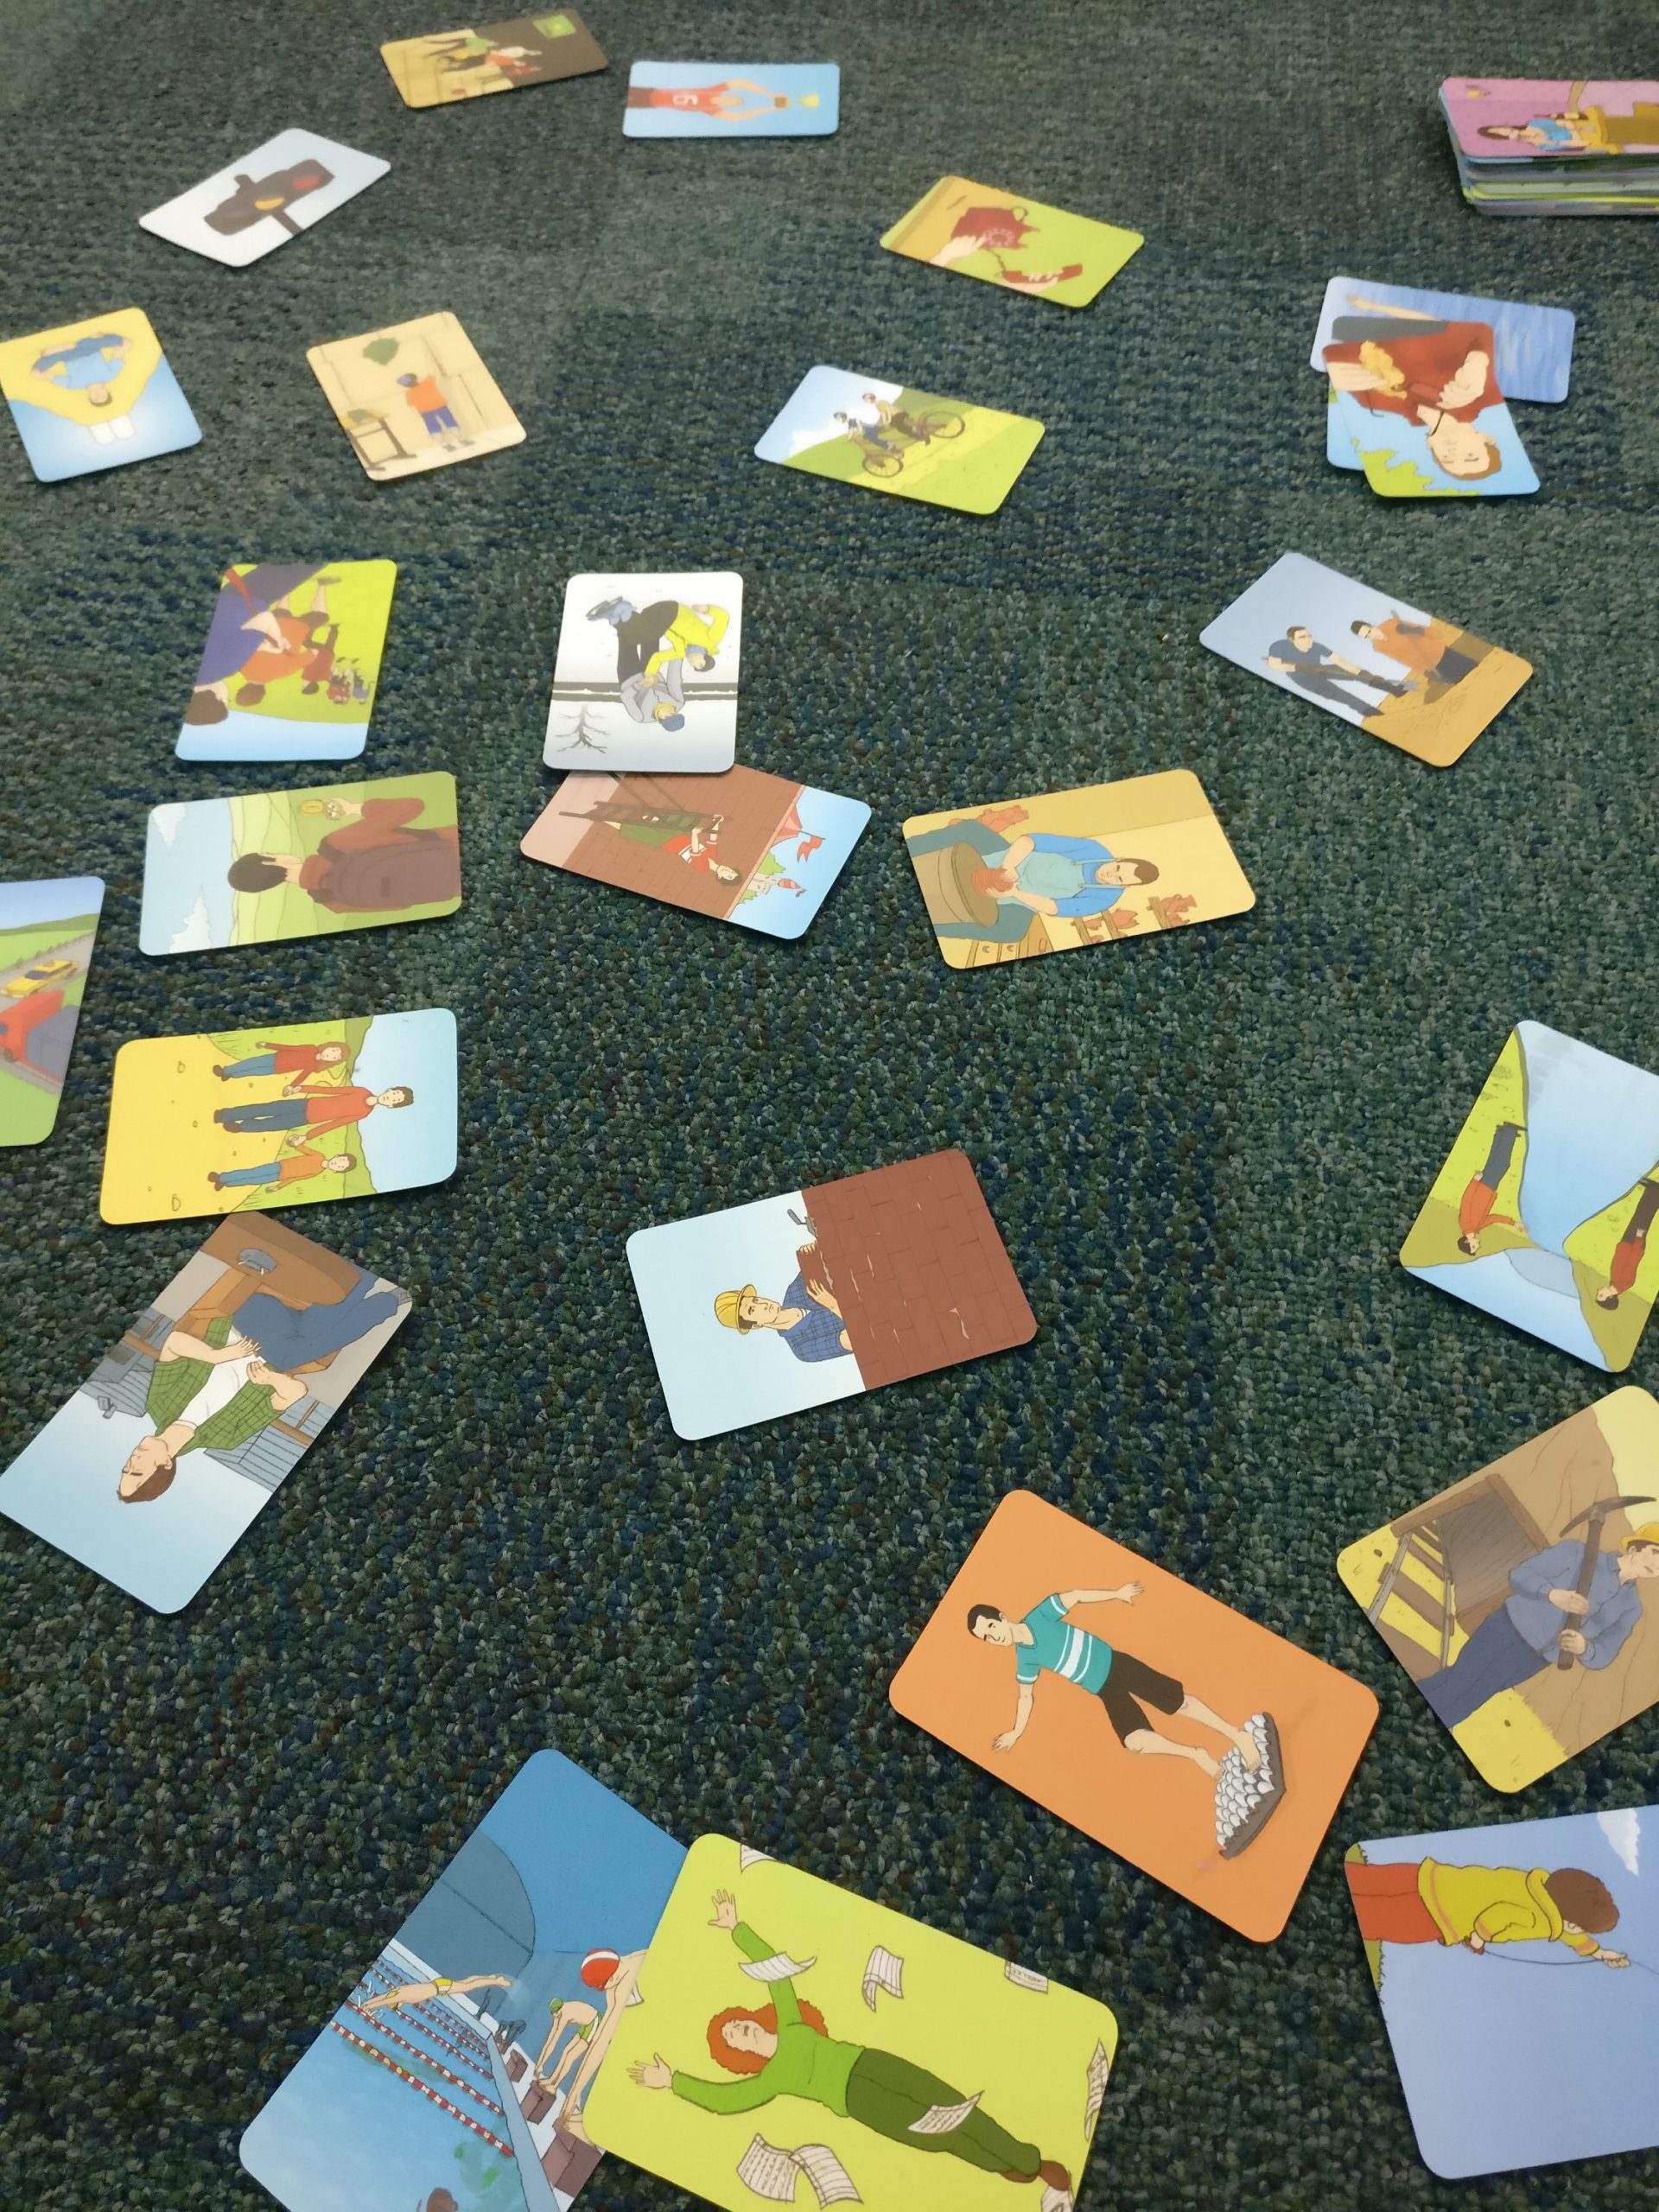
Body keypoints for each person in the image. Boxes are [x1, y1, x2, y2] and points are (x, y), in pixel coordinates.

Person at [628, 1891, 1076, 2209]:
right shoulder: (772, 2079)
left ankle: (1027, 2159)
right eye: (731, 2039)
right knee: (939, 2135)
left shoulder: (790, 2023)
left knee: (952, 2102)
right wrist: (672, 2082)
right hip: (858, 2101)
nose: (737, 2032)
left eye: (735, 2024)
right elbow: (725, 2100)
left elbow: (776, 1975)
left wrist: (736, 1929)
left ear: (749, 2017)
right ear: (738, 2055)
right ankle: (1006, 2164)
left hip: (870, 2061)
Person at [117, 1265, 402, 1503]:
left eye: (125, 1469)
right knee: (313, 1334)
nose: (131, 1462)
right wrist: (270, 1379)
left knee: (315, 1335)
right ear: (166, 1465)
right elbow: (295, 1393)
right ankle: (366, 1280)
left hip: (245, 1325)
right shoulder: (225, 1439)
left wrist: (217, 1356)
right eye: (136, 1473)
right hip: (278, 1357)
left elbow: (174, 1342)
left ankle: (384, 1298)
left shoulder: (159, 1403)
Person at [969, 1588, 1267, 1783]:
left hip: (1118, 1665)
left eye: (992, 1627)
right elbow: (1025, 1697)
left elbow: (1075, 1596)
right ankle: (1196, 1754)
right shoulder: (1025, 1660)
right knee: (1135, 1742)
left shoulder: (1040, 1616)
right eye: (987, 1638)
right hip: (1104, 1690)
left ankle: (1237, 1736)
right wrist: (1016, 1732)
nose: (995, 1637)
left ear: (1002, 1618)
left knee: (1178, 1703)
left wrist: (1117, 1593)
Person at [1418, 1525, 1659, 1728]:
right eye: (1656, 1551)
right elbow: (1521, 1574)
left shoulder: (1631, 1607)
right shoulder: (1577, 1553)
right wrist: (1552, 1594)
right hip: (1507, 1629)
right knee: (1458, 1683)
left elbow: (1607, 1650)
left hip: (1534, 1659)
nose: (1657, 1564)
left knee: (1472, 1698)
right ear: (1634, 1548)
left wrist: (1584, 1648)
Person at [905, 810, 1159, 937]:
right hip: (1010, 860)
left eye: (1119, 879)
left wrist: (1015, 892)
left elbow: (1054, 908)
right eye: (1117, 868)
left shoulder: (1105, 898)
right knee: (971, 830)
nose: (1111, 875)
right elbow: (1031, 841)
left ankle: (935, 929)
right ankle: (912, 848)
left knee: (1013, 932)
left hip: (1024, 897)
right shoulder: (1093, 850)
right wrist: (1007, 868)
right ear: (1118, 859)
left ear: (1125, 886)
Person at [1349, 1856, 1628, 1966]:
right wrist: (1478, 1939)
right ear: (1574, 1922)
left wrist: (1600, 1953)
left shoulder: (1537, 1886)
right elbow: (1497, 1916)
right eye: (1582, 1926)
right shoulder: (1540, 1920)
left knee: (1361, 1879)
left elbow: (1569, 1934)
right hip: (1438, 1916)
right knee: (1370, 1921)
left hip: (1429, 1876)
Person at [1324, 317, 1505, 482]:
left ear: (1430, 445)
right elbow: (1481, 327)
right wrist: (1479, 360)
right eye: (1471, 455)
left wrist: (1335, 368)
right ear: (1486, 438)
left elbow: (1335, 344)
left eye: (1446, 458)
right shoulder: (1486, 395)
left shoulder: (1373, 403)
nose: (1454, 451)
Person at [226, 794, 461, 914]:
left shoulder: (330, 902)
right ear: (270, 860)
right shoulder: (336, 844)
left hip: (455, 888)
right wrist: (352, 808)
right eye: (269, 852)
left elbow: (399, 905)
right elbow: (413, 806)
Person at [182, 567, 336, 724]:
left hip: (246, 600)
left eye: (227, 700)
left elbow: (265, 619)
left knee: (300, 564)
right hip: (225, 599)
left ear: (219, 697)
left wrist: (278, 641)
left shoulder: (227, 667)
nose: (228, 695)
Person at [715, 1241, 854, 1363]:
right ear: (756, 1325)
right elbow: (853, 1340)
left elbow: (834, 1258)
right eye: (752, 1310)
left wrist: (815, 1253)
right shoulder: (801, 1348)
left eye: (755, 1300)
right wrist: (832, 1305)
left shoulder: (795, 1290)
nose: (763, 1304)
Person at [213, 1079, 415, 1148]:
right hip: (305, 1103)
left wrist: (306, 1136)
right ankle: (227, 1114)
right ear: (390, 1089)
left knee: (272, 1125)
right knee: (267, 1108)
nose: (391, 1098)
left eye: (395, 1100)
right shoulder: (361, 1091)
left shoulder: (364, 1113)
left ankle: (241, 1127)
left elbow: (333, 1125)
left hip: (306, 1119)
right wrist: (302, 1088)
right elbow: (331, 1090)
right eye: (394, 1094)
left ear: (391, 1106)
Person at [1265, 626, 1412, 715]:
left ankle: (1394, 689)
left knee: (1358, 672)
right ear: (1292, 640)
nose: (1308, 639)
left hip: (1320, 669)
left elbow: (1338, 660)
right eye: (1302, 637)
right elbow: (1274, 665)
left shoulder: (1316, 646)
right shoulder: (1279, 646)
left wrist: (1358, 673)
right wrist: (1297, 667)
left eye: (1309, 635)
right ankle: (1373, 715)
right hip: (1305, 679)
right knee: (1342, 695)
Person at [31, 329, 137, 443]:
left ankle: (66, 347)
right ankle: (77, 344)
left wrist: (43, 368)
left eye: (95, 398)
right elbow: (120, 353)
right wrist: (105, 337)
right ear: (107, 391)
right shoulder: (110, 375)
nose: (98, 395)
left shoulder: (74, 385)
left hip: (67, 355)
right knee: (128, 343)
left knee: (37, 370)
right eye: (103, 396)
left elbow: (45, 376)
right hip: (90, 349)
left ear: (90, 397)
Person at [1348, 613, 1483, 690]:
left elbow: (1429, 632)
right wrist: (1425, 672)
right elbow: (1402, 659)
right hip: (1432, 666)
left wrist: (1413, 630)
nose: (1372, 636)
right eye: (1367, 636)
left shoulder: (1390, 623)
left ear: (1372, 626)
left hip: (1441, 652)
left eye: (1369, 631)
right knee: (1463, 683)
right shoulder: (1378, 647)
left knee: (1475, 669)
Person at [1456, 1120, 1525, 1255]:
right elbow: (1492, 1218)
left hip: (1483, 1186)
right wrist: (1513, 1223)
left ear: (1467, 1242)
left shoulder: (1465, 1224)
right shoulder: (1476, 1228)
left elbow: (1466, 1201)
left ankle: (1509, 1132)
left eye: (1474, 1247)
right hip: (1488, 1189)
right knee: (1493, 1160)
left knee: (1503, 1163)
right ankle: (1501, 1133)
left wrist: (1474, 1181)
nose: (1478, 1246)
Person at [625, 78, 810, 125]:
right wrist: (769, 94)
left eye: (734, 103)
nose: (731, 101)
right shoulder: (715, 90)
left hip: (652, 104)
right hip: (652, 92)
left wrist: (769, 108)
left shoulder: (711, 109)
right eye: (735, 98)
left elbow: (738, 118)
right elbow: (741, 83)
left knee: (630, 105)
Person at [1596, 1180, 1659, 1308]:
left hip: (1626, 1243)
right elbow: (1633, 1261)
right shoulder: (1624, 1284)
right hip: (1634, 1244)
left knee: (1639, 1216)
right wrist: (1639, 1239)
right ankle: (1655, 1192)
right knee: (1645, 1217)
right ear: (1610, 1297)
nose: (1599, 1291)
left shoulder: (1615, 1282)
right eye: (1601, 1295)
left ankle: (1651, 1191)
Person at [209, 1147, 355, 1192]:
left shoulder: (317, 1172)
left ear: (336, 1171)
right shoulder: (318, 1155)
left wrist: (278, 1187)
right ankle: (221, 1177)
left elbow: (294, 1179)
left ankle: (227, 1183)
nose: (337, 1164)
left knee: (253, 1181)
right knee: (252, 1172)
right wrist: (295, 1143)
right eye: (340, 1161)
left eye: (340, 1166)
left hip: (279, 1177)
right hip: (279, 1166)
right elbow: (302, 1149)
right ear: (337, 1156)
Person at [363, 1971, 511, 2014]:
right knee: (466, 1982)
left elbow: (385, 2001)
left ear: (397, 2003)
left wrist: (368, 2007)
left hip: (440, 1988)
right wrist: (367, 2004)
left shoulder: (402, 1997)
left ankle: (496, 1981)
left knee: (468, 1986)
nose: (399, 2006)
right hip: (437, 1984)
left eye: (397, 2006)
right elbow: (384, 1997)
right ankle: (491, 1978)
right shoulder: (398, 1991)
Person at [213, 1039, 347, 1083]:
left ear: (333, 1062)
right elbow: (290, 1048)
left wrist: (292, 1086)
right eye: (333, 1051)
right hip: (276, 1058)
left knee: (254, 1072)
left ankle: (232, 1074)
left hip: (278, 1069)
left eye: (334, 1057)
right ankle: (226, 1070)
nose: (330, 1055)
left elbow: (303, 1076)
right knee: (251, 1063)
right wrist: (268, 1045)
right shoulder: (311, 1048)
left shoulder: (315, 1066)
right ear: (329, 1046)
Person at [397, 371, 467, 450]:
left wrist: (417, 414)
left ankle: (445, 445)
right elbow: (432, 373)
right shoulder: (428, 382)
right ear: (416, 379)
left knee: (434, 428)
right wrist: (423, 378)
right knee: (450, 423)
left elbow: (412, 406)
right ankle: (461, 439)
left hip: (425, 412)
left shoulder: (409, 394)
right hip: (440, 406)